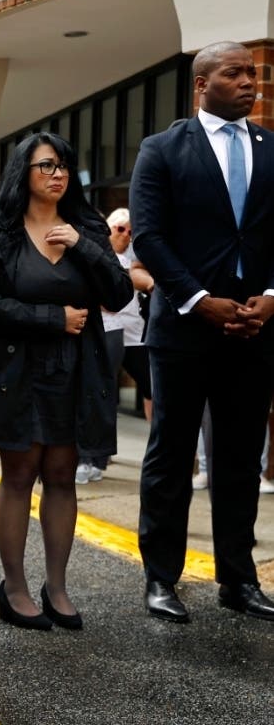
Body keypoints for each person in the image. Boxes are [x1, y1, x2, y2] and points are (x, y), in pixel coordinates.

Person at [0, 132, 132, 631]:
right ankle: (14, 587)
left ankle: (57, 586)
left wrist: (85, 247)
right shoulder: (2, 232)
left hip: (76, 373)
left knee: (61, 475)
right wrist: (52, 319)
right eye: (45, 166)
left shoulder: (87, 227)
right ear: (24, 173)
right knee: (19, 475)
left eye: (63, 166)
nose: (57, 174)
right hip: (17, 372)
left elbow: (119, 295)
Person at [131, 40, 274, 623]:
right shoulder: (163, 149)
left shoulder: (272, 149)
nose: (249, 81)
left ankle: (237, 580)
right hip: (186, 326)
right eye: (235, 73)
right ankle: (161, 578)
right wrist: (197, 299)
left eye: (253, 73)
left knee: (240, 457)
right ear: (201, 83)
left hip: (255, 327)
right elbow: (149, 235)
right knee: (172, 452)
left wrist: (269, 299)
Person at [76, 207, 151, 484]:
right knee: (92, 393)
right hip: (100, 331)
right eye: (119, 229)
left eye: (130, 231)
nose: (125, 235)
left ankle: (95, 457)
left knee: (108, 392)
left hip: (123, 334)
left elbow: (114, 299)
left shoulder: (128, 261)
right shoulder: (97, 256)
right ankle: (89, 457)